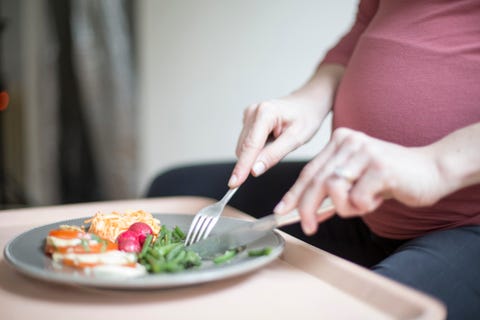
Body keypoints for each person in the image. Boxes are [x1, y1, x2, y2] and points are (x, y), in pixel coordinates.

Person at [148, 1, 480, 318]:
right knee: (174, 188)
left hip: (468, 221)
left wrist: (436, 164)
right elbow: (365, 28)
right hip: (360, 199)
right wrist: (308, 100)